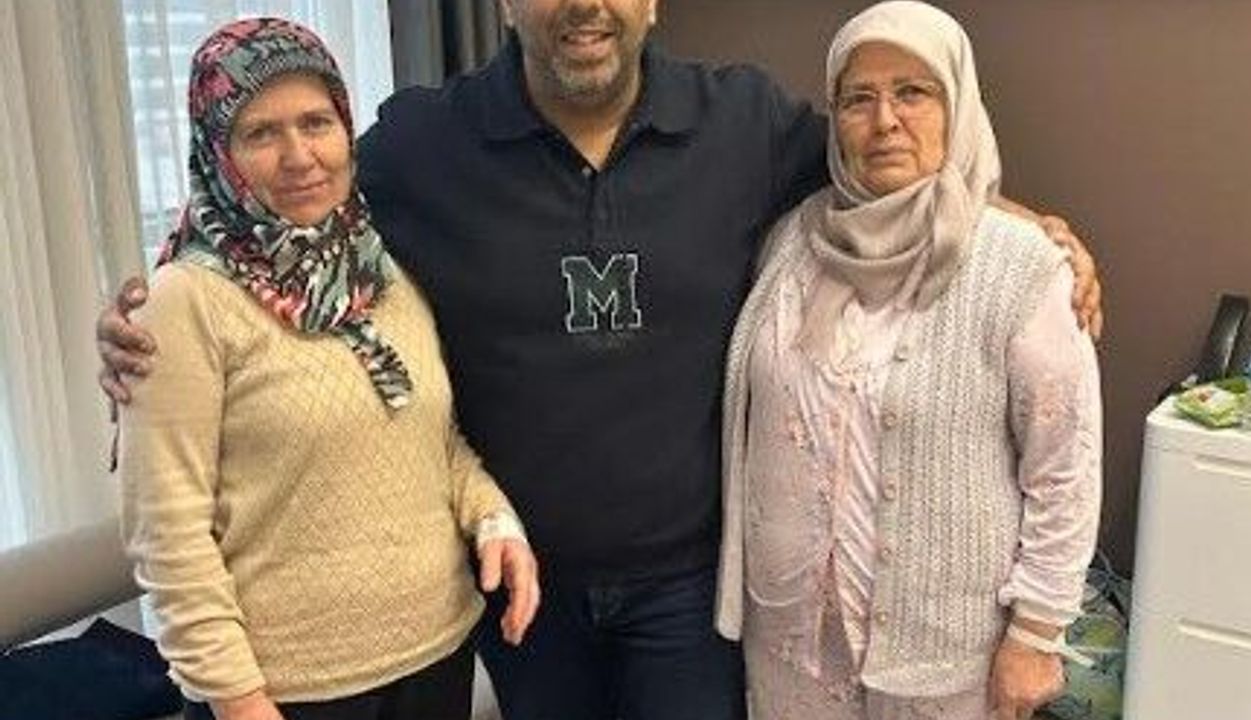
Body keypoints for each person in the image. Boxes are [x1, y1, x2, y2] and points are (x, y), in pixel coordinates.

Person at [99, 2, 1102, 718]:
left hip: (691, 589)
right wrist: (152, 304)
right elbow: (286, 197)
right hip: (520, 592)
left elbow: (888, 172)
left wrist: (1028, 229)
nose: (584, 5)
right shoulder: (423, 145)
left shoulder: (744, 124)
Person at [115, 18, 538, 720]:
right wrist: (238, 700)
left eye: (316, 122)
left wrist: (494, 519)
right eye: (260, 133)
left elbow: (433, 443)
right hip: (286, 690)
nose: (299, 155)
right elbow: (168, 535)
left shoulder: (384, 274)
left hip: (437, 653)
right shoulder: (184, 301)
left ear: (346, 128)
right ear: (218, 152)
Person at [715, 3, 1102, 720]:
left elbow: (1064, 467)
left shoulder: (1019, 266)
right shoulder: (790, 244)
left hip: (944, 659)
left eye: (913, 92)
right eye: (858, 99)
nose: (885, 120)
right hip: (793, 646)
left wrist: (1037, 634)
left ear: (958, 105)